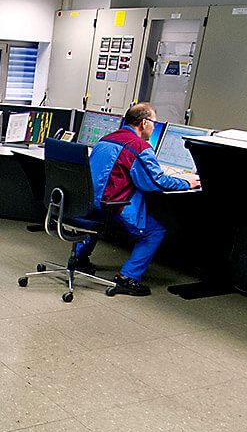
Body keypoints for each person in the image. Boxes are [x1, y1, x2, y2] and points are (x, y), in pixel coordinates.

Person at [77, 102, 200, 296]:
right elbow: (155, 182)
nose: (154, 127)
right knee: (154, 232)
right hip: (112, 206)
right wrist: (187, 183)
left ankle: (79, 258)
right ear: (144, 123)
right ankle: (128, 277)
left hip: (87, 204)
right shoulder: (139, 147)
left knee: (93, 220)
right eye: (154, 123)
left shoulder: (106, 139)